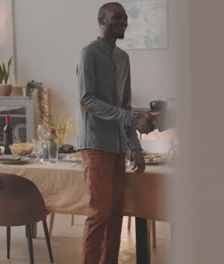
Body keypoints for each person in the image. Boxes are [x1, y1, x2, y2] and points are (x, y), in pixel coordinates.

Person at [76, 2, 149, 263]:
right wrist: (128, 117)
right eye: (117, 17)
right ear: (101, 20)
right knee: (99, 213)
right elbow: (87, 100)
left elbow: (125, 105)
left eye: (126, 18)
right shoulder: (88, 54)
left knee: (116, 212)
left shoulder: (123, 58)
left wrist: (135, 147)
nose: (124, 22)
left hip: (118, 147)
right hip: (95, 145)